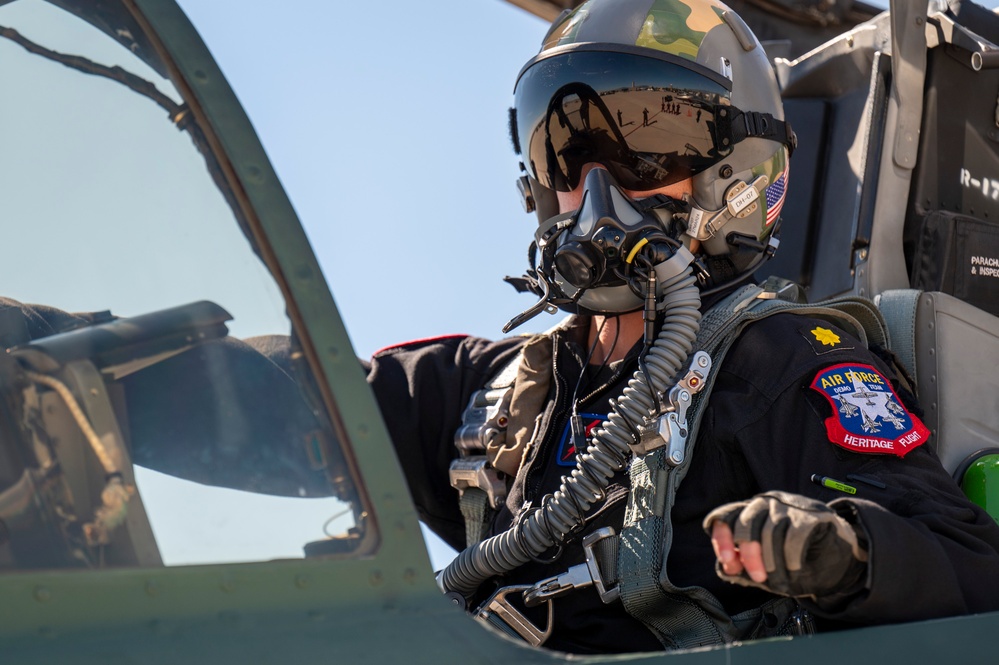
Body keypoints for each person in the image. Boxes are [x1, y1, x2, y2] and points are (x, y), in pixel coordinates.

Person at [363, 0, 999, 655]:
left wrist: (843, 551)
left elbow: (970, 565)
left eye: (648, 150)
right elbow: (298, 397)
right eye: (565, 156)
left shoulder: (782, 365)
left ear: (737, 172)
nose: (594, 192)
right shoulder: (488, 389)